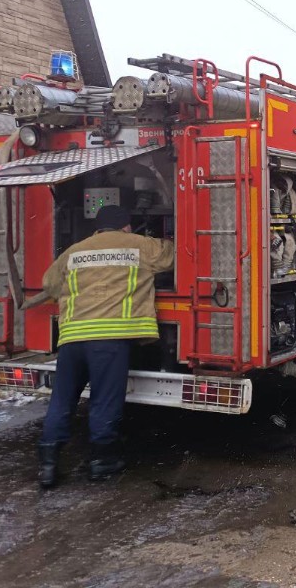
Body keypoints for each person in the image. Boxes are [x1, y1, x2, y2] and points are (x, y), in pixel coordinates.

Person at [36, 205, 174, 488]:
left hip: (72, 338)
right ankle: (102, 461)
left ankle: (48, 464)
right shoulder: (140, 245)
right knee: (104, 400)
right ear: (126, 226)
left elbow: (49, 283)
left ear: (97, 229)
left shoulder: (75, 250)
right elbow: (173, 255)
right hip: (109, 339)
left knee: (62, 399)